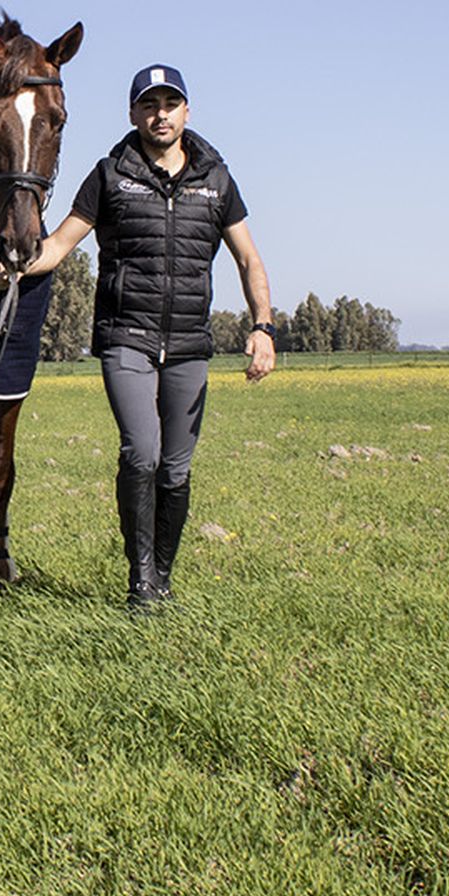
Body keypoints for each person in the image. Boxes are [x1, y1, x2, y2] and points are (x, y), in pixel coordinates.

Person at [27, 62, 275, 606]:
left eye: (169, 104)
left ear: (187, 110)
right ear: (133, 113)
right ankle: (140, 579)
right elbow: (59, 246)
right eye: (148, 105)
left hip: (189, 342)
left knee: (176, 466)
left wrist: (263, 326)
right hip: (126, 336)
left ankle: (162, 574)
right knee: (142, 451)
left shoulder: (216, 181)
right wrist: (12, 264)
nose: (159, 114)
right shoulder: (110, 175)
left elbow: (249, 259)